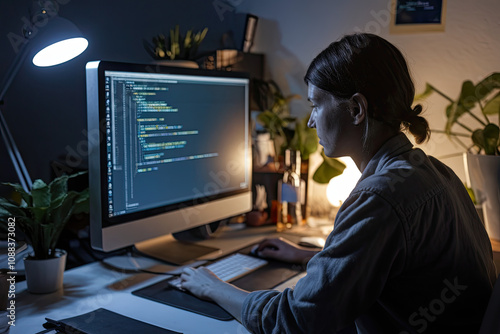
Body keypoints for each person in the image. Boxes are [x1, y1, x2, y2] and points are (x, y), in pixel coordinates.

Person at [179, 33, 497, 333]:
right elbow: (395, 266)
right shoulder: (435, 172)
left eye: (316, 104)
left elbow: (294, 323)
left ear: (356, 109)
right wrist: (311, 258)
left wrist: (213, 287)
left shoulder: (379, 198)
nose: (310, 120)